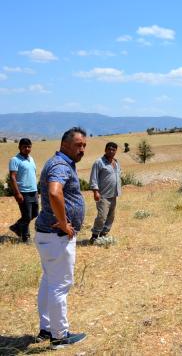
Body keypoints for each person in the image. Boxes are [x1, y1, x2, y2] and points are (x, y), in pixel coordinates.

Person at [33, 127, 88, 349]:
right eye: (78, 145)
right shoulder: (59, 165)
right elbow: (55, 192)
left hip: (48, 234)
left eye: (84, 145)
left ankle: (46, 328)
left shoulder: (59, 163)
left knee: (49, 281)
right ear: (64, 144)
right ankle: (59, 336)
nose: (82, 149)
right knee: (60, 285)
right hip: (57, 236)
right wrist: (64, 223)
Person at [89, 141, 122, 244]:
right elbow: (93, 178)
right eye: (109, 149)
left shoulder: (116, 162)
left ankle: (104, 234)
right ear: (105, 150)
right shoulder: (99, 162)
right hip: (103, 195)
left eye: (113, 149)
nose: (111, 151)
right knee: (102, 216)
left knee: (111, 216)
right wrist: (95, 191)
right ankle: (94, 236)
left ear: (116, 151)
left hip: (114, 194)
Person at [8, 138, 38, 243]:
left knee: (35, 213)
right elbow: (12, 177)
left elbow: (33, 175)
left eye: (29, 146)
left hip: (33, 191)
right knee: (27, 216)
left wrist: (36, 190)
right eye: (24, 146)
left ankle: (16, 226)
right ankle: (26, 237)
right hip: (23, 192)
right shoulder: (15, 160)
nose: (27, 148)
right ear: (19, 147)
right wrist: (17, 193)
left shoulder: (31, 159)